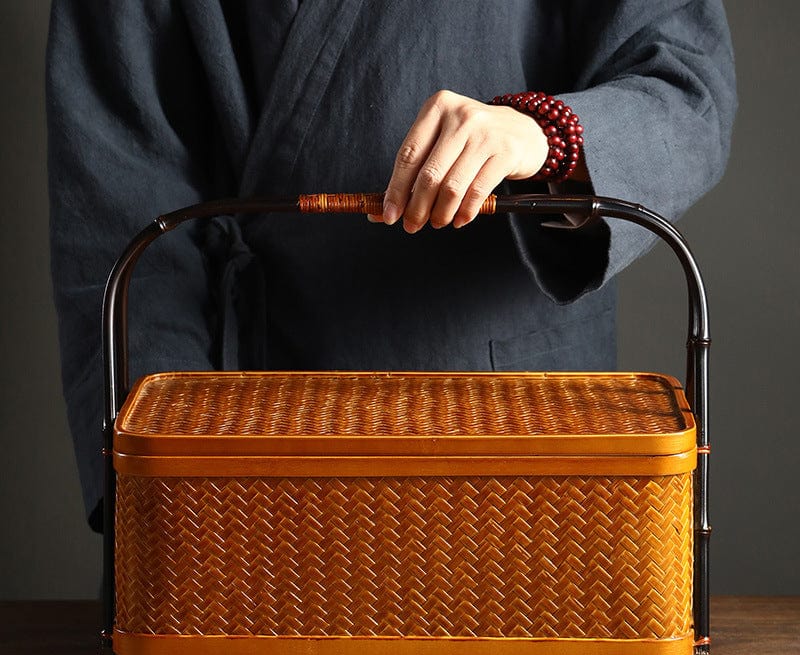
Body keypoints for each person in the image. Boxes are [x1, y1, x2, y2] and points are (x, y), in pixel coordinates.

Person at [46, 2, 737, 532]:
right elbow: (114, 179)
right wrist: (157, 477)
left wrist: (547, 136)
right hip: (219, 427)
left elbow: (684, 82)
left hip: (497, 424)